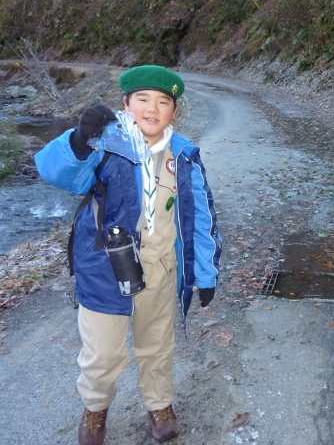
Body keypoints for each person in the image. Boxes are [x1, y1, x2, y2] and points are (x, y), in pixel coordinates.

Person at [35, 65, 222, 445]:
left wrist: (206, 274)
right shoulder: (104, 146)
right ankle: (95, 409)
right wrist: (78, 140)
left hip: (162, 269)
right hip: (105, 270)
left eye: (163, 102)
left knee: (157, 346)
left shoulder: (184, 155)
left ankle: (159, 404)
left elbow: (201, 218)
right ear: (126, 104)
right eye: (143, 99)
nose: (152, 108)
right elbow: (58, 173)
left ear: (175, 111)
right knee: (102, 353)